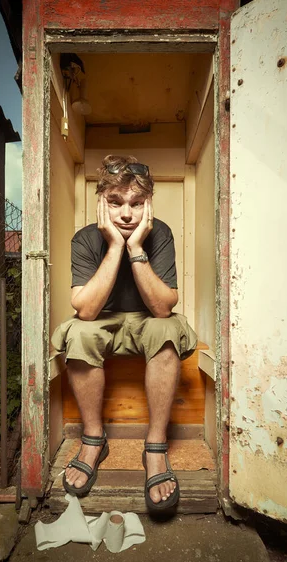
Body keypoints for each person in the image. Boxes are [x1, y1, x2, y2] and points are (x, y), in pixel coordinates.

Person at [51, 155, 197, 512]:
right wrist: (115, 245)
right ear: (101, 202)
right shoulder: (85, 240)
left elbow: (163, 306)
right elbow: (85, 309)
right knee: (80, 332)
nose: (126, 214)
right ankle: (93, 439)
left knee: (166, 327)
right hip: (105, 324)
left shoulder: (159, 233)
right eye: (115, 203)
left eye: (136, 203)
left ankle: (156, 446)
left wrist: (135, 248)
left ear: (148, 204)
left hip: (147, 322)